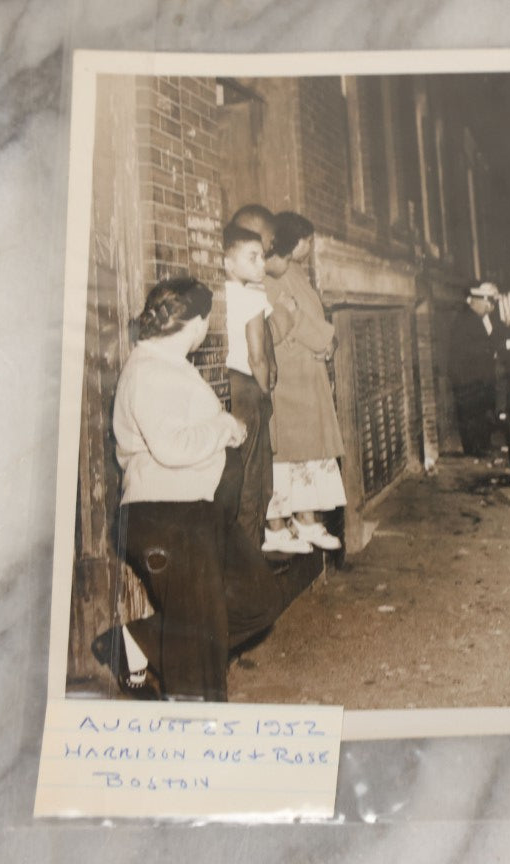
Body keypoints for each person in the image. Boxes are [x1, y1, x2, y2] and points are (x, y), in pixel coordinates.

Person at [112, 276, 284, 701]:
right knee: (198, 655)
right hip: (166, 517)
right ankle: (197, 734)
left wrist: (219, 431)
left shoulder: (171, 366)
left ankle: (137, 642)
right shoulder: (150, 370)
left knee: (257, 600)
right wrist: (223, 426)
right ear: (197, 323)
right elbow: (172, 448)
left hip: (196, 512)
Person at [263, 211, 346, 550]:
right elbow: (292, 320)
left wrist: (326, 344)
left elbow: (309, 314)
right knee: (288, 452)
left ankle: (307, 520)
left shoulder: (295, 272)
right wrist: (324, 341)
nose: (310, 247)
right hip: (289, 376)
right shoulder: (273, 275)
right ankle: (284, 525)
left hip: (305, 372)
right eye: (308, 241)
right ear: (294, 241)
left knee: (310, 452)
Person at [222, 221, 307, 554]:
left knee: (237, 472)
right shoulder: (249, 298)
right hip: (248, 387)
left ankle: (240, 552)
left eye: (262, 256)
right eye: (252, 257)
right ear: (229, 264)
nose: (261, 264)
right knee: (255, 478)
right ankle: (251, 554)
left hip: (229, 386)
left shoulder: (222, 294)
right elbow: (257, 355)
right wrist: (266, 393)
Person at [448, 281, 503, 456]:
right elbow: (470, 349)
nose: (490, 309)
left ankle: (483, 445)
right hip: (468, 377)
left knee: (480, 411)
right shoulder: (466, 319)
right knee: (471, 414)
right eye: (489, 304)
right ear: (479, 301)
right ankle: (474, 449)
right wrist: (490, 350)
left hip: (478, 376)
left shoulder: (477, 318)